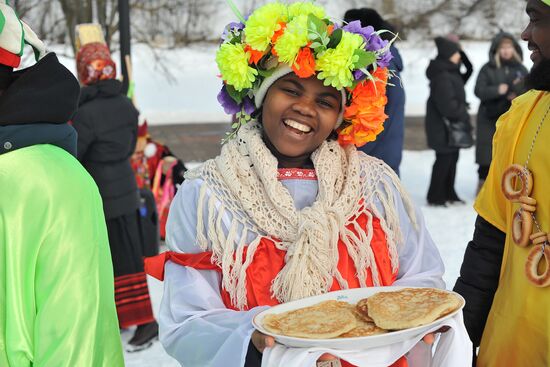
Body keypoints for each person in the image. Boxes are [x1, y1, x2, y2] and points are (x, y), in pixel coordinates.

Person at [145, 3, 470, 367]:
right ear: (262, 94)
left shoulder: (375, 186)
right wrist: (253, 342)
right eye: (290, 89)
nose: (305, 108)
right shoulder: (208, 196)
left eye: (326, 100)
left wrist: (415, 320)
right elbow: (188, 320)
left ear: (339, 119)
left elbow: (420, 276)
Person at [0, 3, 124, 365]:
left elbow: (74, 342)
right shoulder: (116, 106)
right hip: (114, 190)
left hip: (98, 190)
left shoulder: (42, 180)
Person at [453, 0, 550, 365]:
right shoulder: (520, 116)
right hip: (512, 347)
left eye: (537, 20)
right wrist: (459, 338)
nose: (525, 35)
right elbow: (490, 241)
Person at [71, 24, 158, 350]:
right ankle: (133, 318)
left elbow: (76, 151)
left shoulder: (86, 111)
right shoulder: (124, 104)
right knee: (130, 258)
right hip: (125, 186)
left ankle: (146, 323)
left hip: (103, 193)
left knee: (113, 260)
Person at [342, 8, 405, 176]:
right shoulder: (388, 65)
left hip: (370, 164)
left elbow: (369, 116)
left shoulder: (376, 70)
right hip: (385, 157)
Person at [474, 32, 528, 191]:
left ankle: (507, 188)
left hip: (511, 117)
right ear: (496, 50)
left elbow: (529, 90)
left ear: (514, 49)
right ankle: (483, 185)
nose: (506, 51)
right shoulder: (487, 68)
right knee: (486, 153)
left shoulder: (521, 69)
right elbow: (479, 90)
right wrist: (497, 90)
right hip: (488, 116)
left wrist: (516, 95)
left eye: (509, 47)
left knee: (509, 152)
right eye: (503, 48)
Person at [425, 36, 472, 206]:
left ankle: (449, 193)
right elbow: (448, 107)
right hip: (442, 127)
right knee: (444, 160)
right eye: (456, 53)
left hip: (449, 127)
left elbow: (469, 71)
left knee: (452, 158)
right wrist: (462, 109)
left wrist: (462, 54)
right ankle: (436, 196)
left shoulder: (451, 71)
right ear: (448, 54)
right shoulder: (443, 75)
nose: (459, 56)